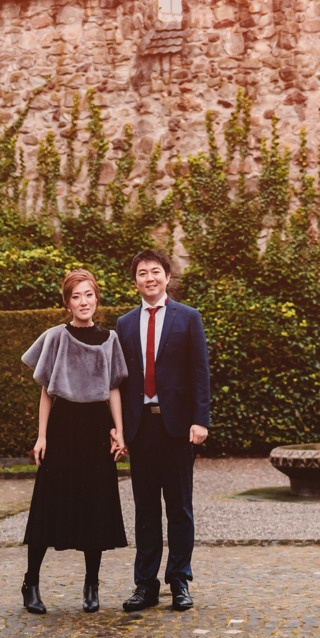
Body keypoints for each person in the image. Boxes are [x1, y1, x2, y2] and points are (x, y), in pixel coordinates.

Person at [19, 268, 128, 615]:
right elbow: (46, 393)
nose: (84, 302)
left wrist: (119, 431)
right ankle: (31, 582)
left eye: (89, 295)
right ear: (67, 302)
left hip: (96, 429)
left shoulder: (110, 339)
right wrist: (42, 436)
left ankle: (91, 585)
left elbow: (113, 388)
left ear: (97, 298)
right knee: (47, 505)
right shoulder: (54, 337)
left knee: (94, 506)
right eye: (76, 296)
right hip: (63, 428)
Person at [115, 248, 211, 613]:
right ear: (135, 280)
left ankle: (179, 580)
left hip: (177, 428)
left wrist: (200, 419)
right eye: (142, 273)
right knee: (144, 510)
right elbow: (120, 383)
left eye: (155, 271)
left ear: (167, 277)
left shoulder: (188, 318)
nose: (149, 278)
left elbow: (199, 373)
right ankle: (145, 584)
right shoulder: (124, 324)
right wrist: (119, 429)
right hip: (141, 427)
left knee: (180, 508)